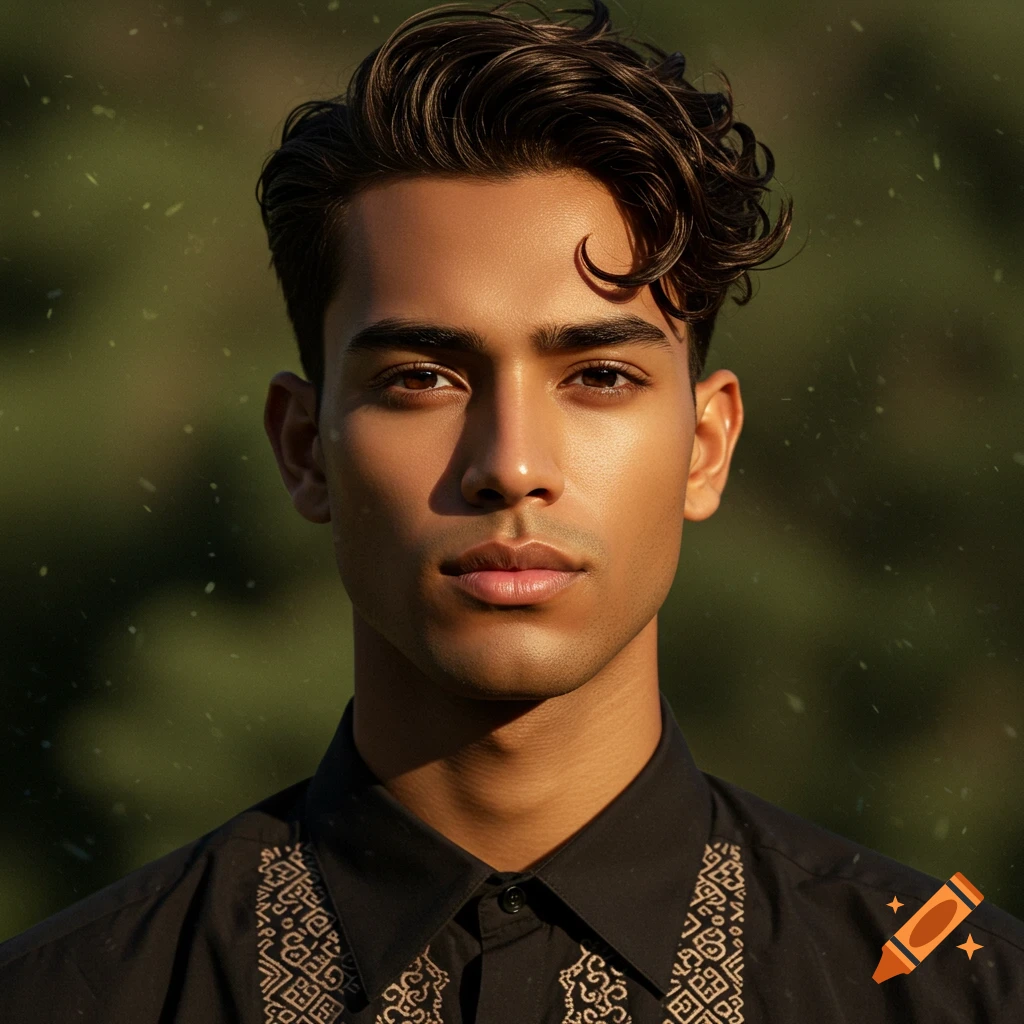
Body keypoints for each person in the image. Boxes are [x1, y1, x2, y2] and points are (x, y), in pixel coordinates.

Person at [2, 1, 1021, 1021]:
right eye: (422, 378)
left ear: (704, 447)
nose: (511, 464)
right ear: (304, 448)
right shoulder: (79, 995)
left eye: (600, 375)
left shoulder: (956, 990)